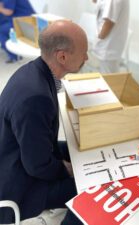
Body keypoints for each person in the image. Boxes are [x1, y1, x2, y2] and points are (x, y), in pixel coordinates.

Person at [0, 20, 88, 224]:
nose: (87, 57)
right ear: (62, 56)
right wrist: (68, 169)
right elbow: (37, 166)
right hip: (19, 186)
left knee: (76, 149)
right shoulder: (36, 98)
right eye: (83, 52)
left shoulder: (32, 72)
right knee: (90, 186)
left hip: (18, 154)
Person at [92, 0, 129, 73]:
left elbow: (109, 21)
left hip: (108, 48)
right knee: (107, 78)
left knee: (107, 81)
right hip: (108, 47)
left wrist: (99, 37)